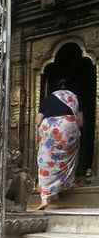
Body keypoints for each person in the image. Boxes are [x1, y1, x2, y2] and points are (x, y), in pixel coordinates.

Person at [36, 77, 83, 210]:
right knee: (68, 158)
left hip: (49, 128)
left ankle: (44, 198)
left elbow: (39, 121)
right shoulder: (74, 98)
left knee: (45, 161)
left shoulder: (48, 98)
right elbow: (80, 122)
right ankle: (68, 182)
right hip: (68, 126)